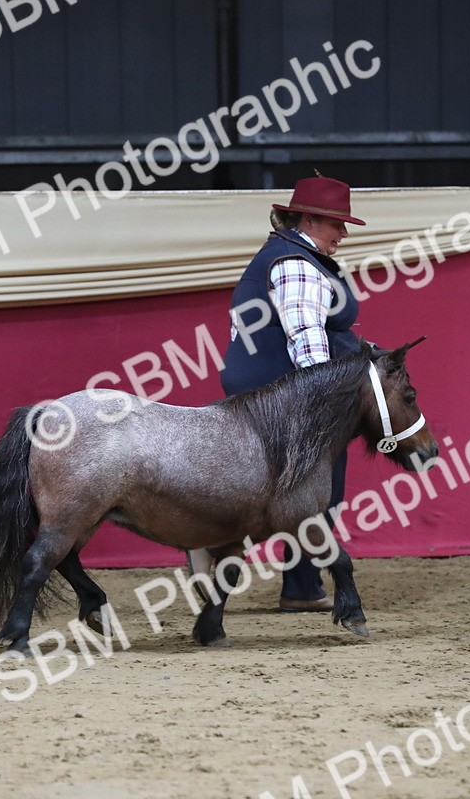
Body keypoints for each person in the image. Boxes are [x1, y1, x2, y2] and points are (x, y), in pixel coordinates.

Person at [188, 174, 365, 612]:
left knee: (297, 487)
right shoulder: (295, 262)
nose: (342, 233)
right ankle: (207, 542)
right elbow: (305, 332)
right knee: (307, 490)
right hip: (284, 394)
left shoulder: (295, 255)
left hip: (273, 390)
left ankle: (301, 588)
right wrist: (326, 397)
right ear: (307, 218)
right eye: (336, 224)